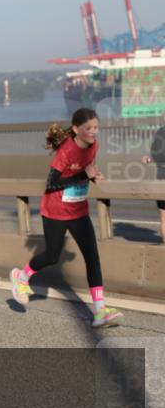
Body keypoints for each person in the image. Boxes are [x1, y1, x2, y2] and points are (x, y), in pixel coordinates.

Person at [10, 108, 122, 327]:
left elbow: (83, 172)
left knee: (92, 257)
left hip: (78, 210)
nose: (93, 132)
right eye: (88, 128)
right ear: (75, 129)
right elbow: (52, 183)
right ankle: (21, 278)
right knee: (52, 256)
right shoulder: (66, 150)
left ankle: (100, 312)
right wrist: (83, 175)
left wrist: (93, 176)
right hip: (55, 211)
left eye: (96, 128)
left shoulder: (93, 146)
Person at [141, 110, 165, 244]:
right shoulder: (160, 132)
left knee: (164, 216)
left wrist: (149, 159)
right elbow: (155, 154)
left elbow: (155, 154)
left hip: (161, 176)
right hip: (161, 175)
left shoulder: (160, 132)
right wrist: (150, 159)